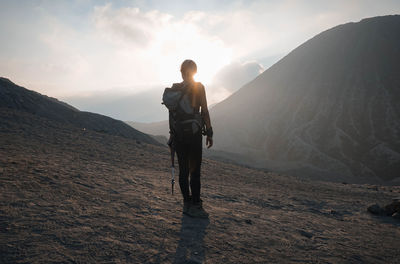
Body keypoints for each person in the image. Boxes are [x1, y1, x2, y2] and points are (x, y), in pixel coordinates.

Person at [169, 59, 213, 218]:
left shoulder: (175, 89)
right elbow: (205, 111)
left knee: (183, 171)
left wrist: (172, 135)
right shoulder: (199, 87)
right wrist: (209, 132)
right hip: (194, 135)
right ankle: (196, 206)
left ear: (181, 72)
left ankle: (186, 204)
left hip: (179, 135)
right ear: (194, 71)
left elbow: (172, 115)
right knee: (195, 172)